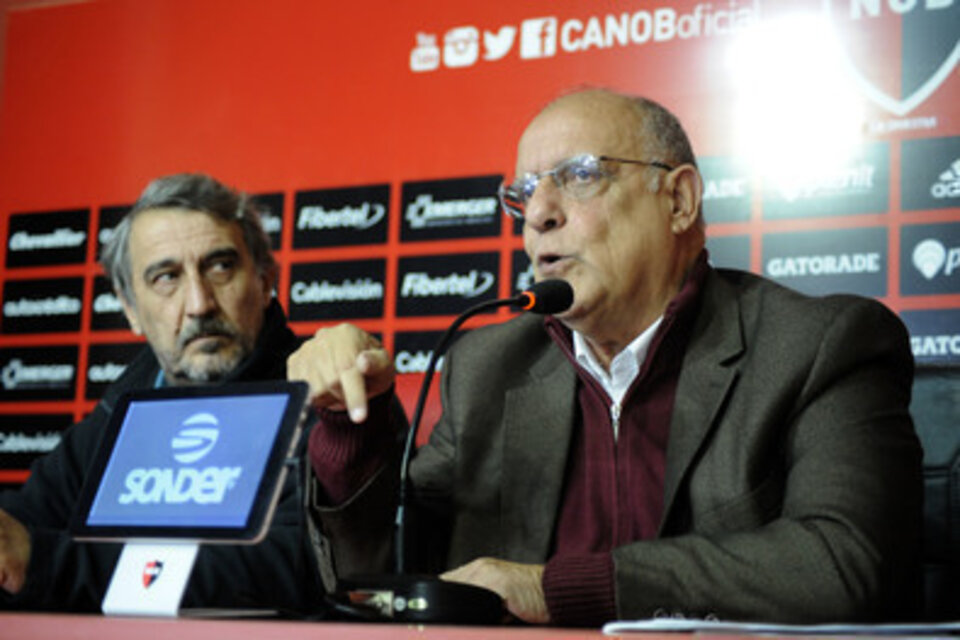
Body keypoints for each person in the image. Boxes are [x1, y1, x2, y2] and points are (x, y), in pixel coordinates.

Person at [292, 88, 923, 626]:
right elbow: (395, 575)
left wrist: (555, 587)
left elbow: (847, 563)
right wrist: (357, 428)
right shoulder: (487, 364)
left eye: (581, 175)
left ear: (678, 201)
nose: (538, 213)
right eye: (525, 193)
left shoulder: (817, 344)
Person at [0, 173, 317, 612]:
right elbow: (20, 527)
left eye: (220, 267)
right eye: (166, 277)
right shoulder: (126, 403)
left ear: (265, 282)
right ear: (130, 310)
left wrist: (45, 563)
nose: (200, 303)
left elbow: (284, 571)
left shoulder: (322, 394)